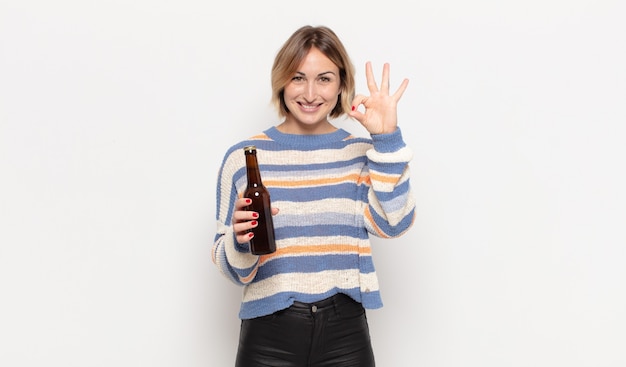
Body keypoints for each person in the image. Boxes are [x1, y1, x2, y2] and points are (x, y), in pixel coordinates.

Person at [212, 25, 416, 367]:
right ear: (282, 82)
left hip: (345, 334)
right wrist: (239, 239)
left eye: (324, 78)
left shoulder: (361, 154)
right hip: (268, 335)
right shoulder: (243, 159)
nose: (309, 93)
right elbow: (231, 268)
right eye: (297, 78)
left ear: (341, 85)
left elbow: (394, 224)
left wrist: (387, 140)